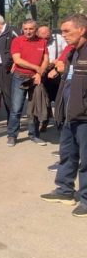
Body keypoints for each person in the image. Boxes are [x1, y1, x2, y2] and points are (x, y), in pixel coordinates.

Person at [41, 14, 87, 217]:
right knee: (67, 155)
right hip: (70, 115)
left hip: (84, 117)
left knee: (86, 160)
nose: (63, 35)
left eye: (67, 31)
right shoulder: (72, 53)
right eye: (62, 31)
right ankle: (65, 191)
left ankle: (85, 200)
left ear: (82, 30)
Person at [6, 19, 48, 147]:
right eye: (26, 29)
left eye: (31, 29)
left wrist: (39, 74)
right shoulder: (17, 41)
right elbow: (17, 60)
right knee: (16, 109)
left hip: (35, 79)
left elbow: (45, 60)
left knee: (33, 108)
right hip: (20, 77)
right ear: (22, 29)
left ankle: (34, 135)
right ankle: (12, 135)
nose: (28, 31)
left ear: (36, 29)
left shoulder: (42, 41)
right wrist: (36, 68)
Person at [37, 26, 67, 131]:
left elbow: (67, 51)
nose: (45, 40)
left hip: (57, 71)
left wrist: (58, 61)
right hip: (44, 71)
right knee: (45, 99)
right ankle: (44, 121)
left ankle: (60, 122)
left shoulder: (59, 38)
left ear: (50, 33)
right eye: (43, 38)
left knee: (60, 98)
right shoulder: (37, 41)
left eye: (47, 38)